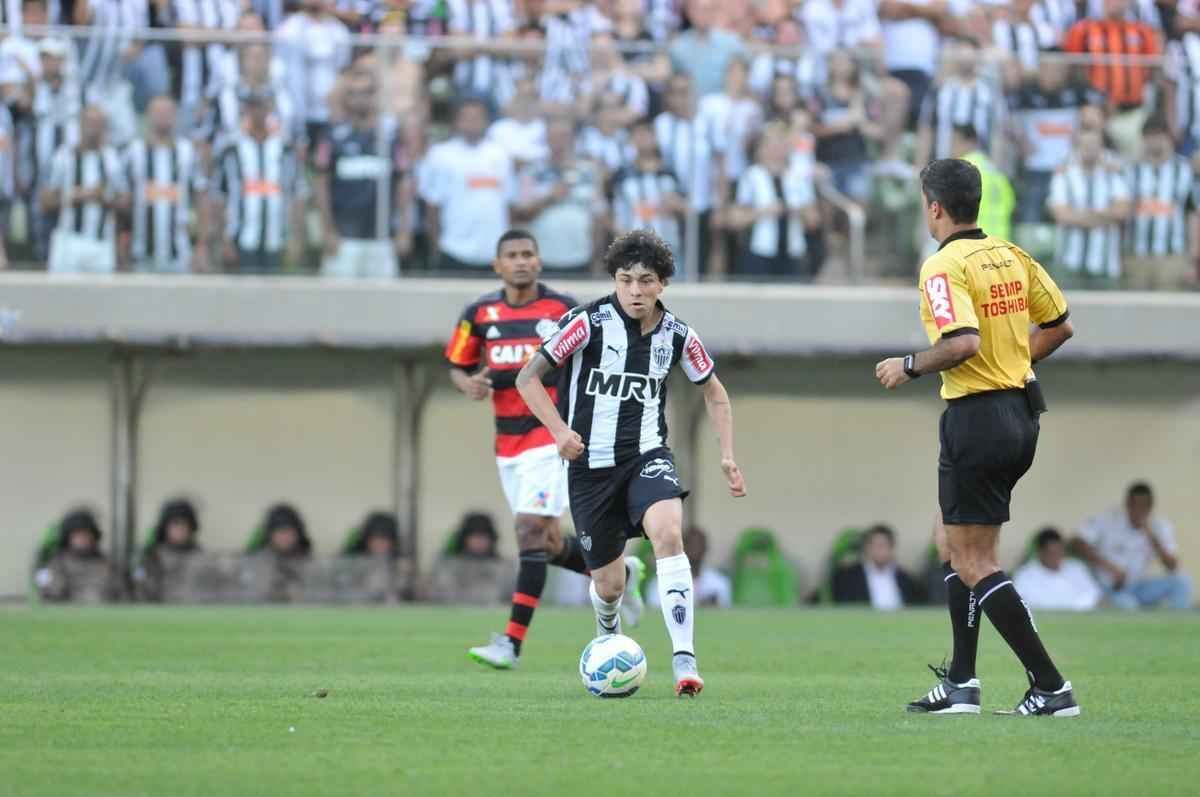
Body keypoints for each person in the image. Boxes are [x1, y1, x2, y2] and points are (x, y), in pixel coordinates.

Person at [875, 157, 1080, 717]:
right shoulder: (1012, 255)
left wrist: (910, 365)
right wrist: (1011, 358)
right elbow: (1060, 324)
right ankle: (962, 682)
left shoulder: (941, 266)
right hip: (1020, 411)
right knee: (952, 543)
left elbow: (962, 342)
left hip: (978, 418)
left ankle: (1051, 686)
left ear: (934, 208)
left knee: (976, 560)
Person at [516, 228, 748, 697]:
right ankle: (608, 633)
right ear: (615, 280)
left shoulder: (678, 334)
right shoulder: (586, 322)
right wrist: (560, 431)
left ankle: (685, 660)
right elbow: (528, 378)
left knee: (668, 532)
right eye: (626, 280)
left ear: (662, 283)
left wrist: (727, 454)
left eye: (646, 281)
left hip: (647, 455)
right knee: (608, 583)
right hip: (589, 467)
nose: (635, 291)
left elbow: (714, 392)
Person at [445, 230, 640, 668]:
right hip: (507, 444)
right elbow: (457, 364)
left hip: (551, 435)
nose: (520, 262)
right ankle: (620, 573)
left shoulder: (563, 309)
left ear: (539, 261)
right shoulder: (478, 314)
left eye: (528, 254)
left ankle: (510, 644)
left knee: (528, 532)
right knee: (547, 543)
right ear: (497, 265)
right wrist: (468, 383)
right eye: (511, 256)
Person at [313, 69, 411, 279]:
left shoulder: (391, 136)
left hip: (382, 239)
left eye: (366, 92)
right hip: (344, 240)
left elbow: (403, 183)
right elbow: (321, 184)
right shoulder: (331, 136)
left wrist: (403, 230)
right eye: (354, 93)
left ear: (375, 96)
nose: (360, 99)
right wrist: (327, 230)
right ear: (346, 98)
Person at [419, 98, 515, 272]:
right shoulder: (440, 155)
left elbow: (508, 205)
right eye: (467, 118)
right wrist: (436, 248)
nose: (472, 123)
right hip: (454, 250)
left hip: (494, 254)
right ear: (456, 121)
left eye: (477, 118)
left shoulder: (501, 155)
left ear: (486, 121)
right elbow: (432, 207)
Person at [213, 89, 303, 274]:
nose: (258, 112)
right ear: (245, 110)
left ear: (270, 109)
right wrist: (223, 239)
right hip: (241, 239)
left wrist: (296, 237)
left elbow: (296, 195)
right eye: (253, 107)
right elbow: (219, 197)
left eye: (262, 106)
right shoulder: (232, 151)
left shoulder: (285, 150)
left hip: (277, 239)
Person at [1063, 0, 1161, 159]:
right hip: (1095, 112)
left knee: (1133, 159)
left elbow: (1153, 70)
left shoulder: (1142, 31)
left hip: (1131, 112)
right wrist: (1096, 99)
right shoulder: (1083, 30)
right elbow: (1072, 70)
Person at [1071, 482, 1192, 610]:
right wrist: (1110, 569)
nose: (1138, 510)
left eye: (1144, 506)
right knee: (1128, 606)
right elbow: (1076, 543)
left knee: (1182, 582)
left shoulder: (1159, 525)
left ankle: (1174, 625)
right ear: (1127, 504)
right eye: (1134, 505)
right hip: (1110, 586)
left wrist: (1151, 535)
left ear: (1151, 507)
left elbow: (1172, 566)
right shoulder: (1108, 519)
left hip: (1138, 585)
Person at [124, 96, 209, 273]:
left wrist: (201, 245)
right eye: (158, 112)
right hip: (141, 252)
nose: (162, 116)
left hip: (179, 252)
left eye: (167, 112)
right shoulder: (133, 152)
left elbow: (201, 200)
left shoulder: (187, 152)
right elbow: (123, 199)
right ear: (148, 115)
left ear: (176, 116)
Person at [41, 105, 130, 274]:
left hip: (102, 242)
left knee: (102, 299)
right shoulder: (63, 155)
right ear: (80, 124)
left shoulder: (112, 159)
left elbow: (125, 202)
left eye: (98, 123)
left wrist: (104, 197)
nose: (93, 128)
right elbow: (45, 201)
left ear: (104, 127)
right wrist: (76, 195)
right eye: (89, 122)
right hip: (68, 240)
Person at [514, 118, 609, 274]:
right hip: (541, 260)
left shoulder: (589, 171)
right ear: (546, 140)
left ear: (573, 140)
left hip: (581, 259)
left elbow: (599, 218)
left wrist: (597, 260)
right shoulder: (531, 171)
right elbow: (521, 215)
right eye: (554, 137)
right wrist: (549, 198)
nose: (559, 142)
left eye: (564, 136)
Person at [728, 122, 817, 279]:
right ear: (762, 148)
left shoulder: (798, 176)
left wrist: (799, 211)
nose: (777, 150)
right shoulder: (752, 176)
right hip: (760, 253)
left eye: (781, 145)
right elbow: (735, 220)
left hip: (793, 253)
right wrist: (763, 212)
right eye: (772, 145)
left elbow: (813, 221)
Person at [1048, 127, 1131, 288]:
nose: (1090, 150)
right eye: (1085, 145)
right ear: (1077, 147)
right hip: (1070, 263)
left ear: (1102, 147)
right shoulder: (1064, 175)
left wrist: (1078, 216)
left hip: (1105, 264)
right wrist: (1104, 217)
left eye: (1094, 145)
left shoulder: (1113, 175)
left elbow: (1122, 212)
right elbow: (1061, 215)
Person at [1124, 117, 1195, 291]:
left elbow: (1192, 215)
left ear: (1168, 137)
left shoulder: (1184, 170)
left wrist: (1192, 260)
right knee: (1136, 312)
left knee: (1169, 313)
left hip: (1172, 257)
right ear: (1143, 140)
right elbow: (1123, 215)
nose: (1154, 141)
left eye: (1158, 135)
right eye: (1149, 136)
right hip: (1137, 255)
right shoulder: (1131, 170)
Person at [276, 0, 352, 152]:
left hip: (328, 112)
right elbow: (280, 70)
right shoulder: (288, 29)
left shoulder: (339, 31)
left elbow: (342, 68)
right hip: (295, 111)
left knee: (324, 160)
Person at [611, 121, 686, 261]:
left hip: (668, 250)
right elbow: (618, 214)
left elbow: (684, 208)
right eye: (638, 135)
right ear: (631, 141)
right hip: (634, 251)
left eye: (647, 134)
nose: (643, 139)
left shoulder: (669, 172)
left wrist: (676, 204)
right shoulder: (623, 174)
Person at [33, 508, 123, 603]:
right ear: (68, 537)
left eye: (86, 534)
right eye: (77, 535)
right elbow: (50, 594)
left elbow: (121, 594)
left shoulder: (107, 564)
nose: (83, 539)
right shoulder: (57, 564)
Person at [424, 511, 514, 605]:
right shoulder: (448, 565)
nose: (479, 541)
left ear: (492, 539)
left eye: (484, 537)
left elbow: (509, 598)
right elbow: (436, 595)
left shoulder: (504, 567)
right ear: (464, 538)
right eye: (474, 536)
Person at [832, 524, 927, 609]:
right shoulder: (848, 577)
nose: (879, 550)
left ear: (891, 548)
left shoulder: (905, 579)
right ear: (866, 547)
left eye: (883, 545)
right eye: (875, 545)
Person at [668, 0, 747, 99]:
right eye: (698, 10)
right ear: (689, 12)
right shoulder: (678, 46)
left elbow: (741, 73)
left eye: (707, 10)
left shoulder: (731, 43)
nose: (702, 15)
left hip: (723, 107)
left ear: (714, 12)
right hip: (690, 109)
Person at [1013, 527, 1103, 611]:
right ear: (1040, 552)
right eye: (1052, 553)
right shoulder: (1025, 575)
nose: (1056, 557)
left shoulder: (1077, 568)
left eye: (1059, 552)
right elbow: (1024, 603)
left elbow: (1093, 595)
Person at [952, 125, 1015, 244]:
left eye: (954, 141)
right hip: (1001, 240)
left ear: (967, 142)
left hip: (973, 241)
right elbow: (1010, 202)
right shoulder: (992, 168)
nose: (952, 147)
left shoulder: (961, 170)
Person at [132, 498, 203, 602]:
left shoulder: (200, 557)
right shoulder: (151, 557)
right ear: (164, 527)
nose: (180, 529)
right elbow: (139, 588)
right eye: (175, 524)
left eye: (184, 524)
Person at [647, 527, 733, 608]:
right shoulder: (662, 582)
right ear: (681, 547)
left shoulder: (719, 582)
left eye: (699, 545)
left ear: (706, 548)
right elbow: (656, 612)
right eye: (690, 544)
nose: (695, 549)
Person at [244, 503, 313, 603]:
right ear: (270, 534)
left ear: (298, 534)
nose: (285, 537)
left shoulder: (307, 561)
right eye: (280, 532)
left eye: (289, 532)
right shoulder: (260, 561)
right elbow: (258, 594)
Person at [341, 510, 411, 603]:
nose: (380, 544)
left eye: (385, 540)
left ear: (393, 542)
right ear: (367, 540)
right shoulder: (352, 560)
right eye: (375, 539)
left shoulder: (399, 563)